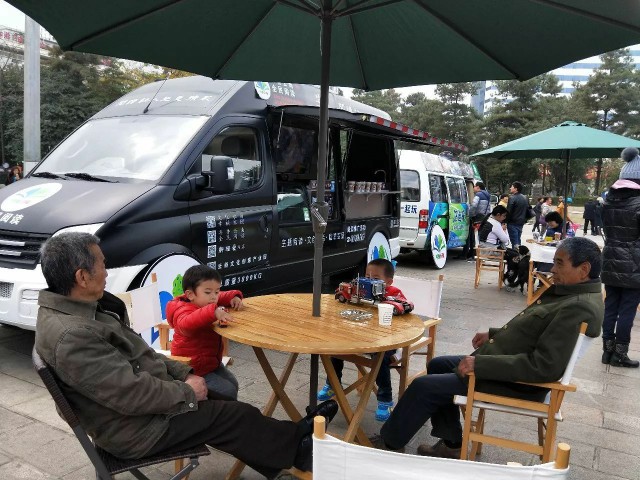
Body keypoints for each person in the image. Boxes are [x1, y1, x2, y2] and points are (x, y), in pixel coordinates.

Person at [34, 232, 338, 478]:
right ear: (82, 277)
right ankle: (300, 450)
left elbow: (142, 357)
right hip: (136, 430)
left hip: (138, 410)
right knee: (232, 416)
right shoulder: (72, 334)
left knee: (228, 405)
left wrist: (184, 373)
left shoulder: (80, 312)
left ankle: (292, 442)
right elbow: (129, 394)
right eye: (102, 264)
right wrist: (186, 392)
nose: (106, 270)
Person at [374, 237, 603, 457]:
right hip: (508, 364)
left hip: (520, 384)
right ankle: (452, 443)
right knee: (437, 364)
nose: (553, 269)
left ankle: (388, 444)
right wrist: (494, 335)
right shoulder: (573, 295)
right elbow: (535, 331)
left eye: (559, 263)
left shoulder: (578, 307)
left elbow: (544, 367)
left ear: (584, 269)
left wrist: (480, 364)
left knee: (423, 386)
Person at [317, 258, 412, 422]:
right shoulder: (361, 288)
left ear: (389, 282)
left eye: (375, 278)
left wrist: (387, 303)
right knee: (334, 347)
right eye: (367, 276)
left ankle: (385, 398)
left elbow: (404, 309)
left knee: (381, 357)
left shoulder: (394, 293)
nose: (369, 280)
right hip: (360, 335)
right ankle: (333, 383)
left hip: (385, 339)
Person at [167, 265, 243, 400]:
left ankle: (226, 408)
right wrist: (213, 312)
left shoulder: (204, 300)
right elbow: (186, 323)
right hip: (192, 368)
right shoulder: (182, 310)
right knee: (227, 391)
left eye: (216, 291)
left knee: (233, 383)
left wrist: (233, 297)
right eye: (208, 293)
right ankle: (213, 409)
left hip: (210, 363)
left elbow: (220, 296)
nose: (214, 297)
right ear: (190, 294)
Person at [601, 147, 640, 368]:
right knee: (627, 310)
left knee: (611, 307)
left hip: (610, 260)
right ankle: (620, 354)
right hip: (634, 265)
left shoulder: (608, 201)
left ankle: (607, 352)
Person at [459, 181, 491, 260]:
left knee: (474, 237)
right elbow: (488, 208)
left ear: (478, 187)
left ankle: (473, 256)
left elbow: (474, 205)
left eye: (474, 186)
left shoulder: (478, 195)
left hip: (477, 217)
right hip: (484, 217)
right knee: (479, 236)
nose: (473, 188)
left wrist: (470, 215)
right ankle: (474, 254)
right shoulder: (488, 195)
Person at [505, 181, 529, 248]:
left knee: (515, 243)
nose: (510, 188)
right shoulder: (525, 198)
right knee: (518, 240)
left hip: (512, 223)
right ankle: (520, 252)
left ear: (516, 189)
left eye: (512, 187)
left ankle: (516, 254)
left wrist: (505, 222)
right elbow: (528, 210)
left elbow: (508, 211)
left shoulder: (512, 198)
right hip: (521, 222)